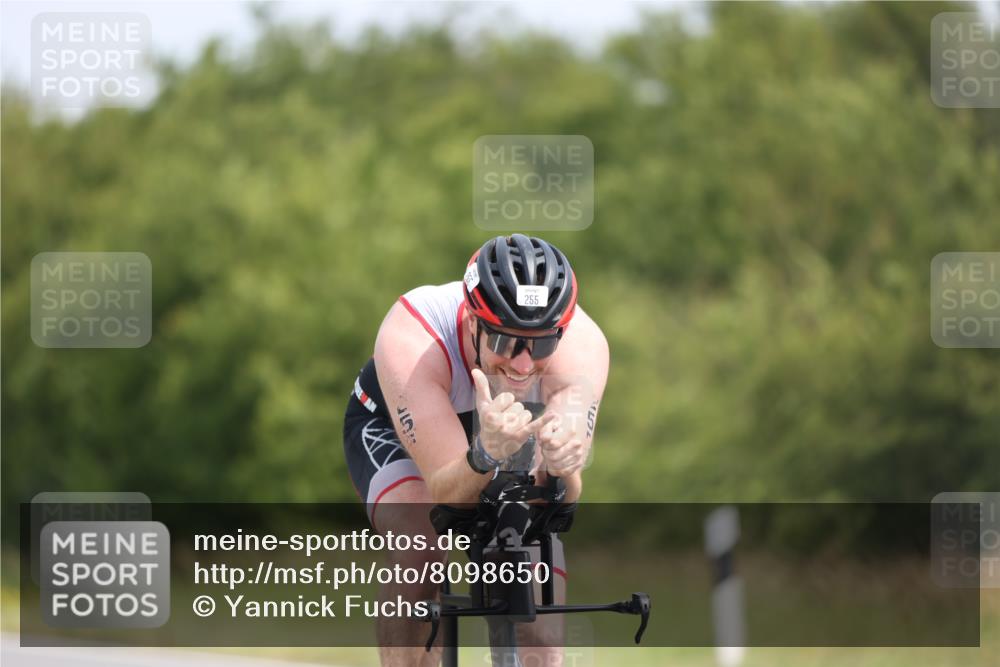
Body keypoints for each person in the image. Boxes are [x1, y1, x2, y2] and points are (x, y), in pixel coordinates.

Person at [343, 233, 609, 666]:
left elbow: (560, 501)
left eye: (541, 344)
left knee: (537, 608)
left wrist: (563, 469)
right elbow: (448, 492)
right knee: (421, 544)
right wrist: (484, 454)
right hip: (394, 424)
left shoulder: (583, 346)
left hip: (504, 427)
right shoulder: (412, 334)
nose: (523, 364)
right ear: (471, 323)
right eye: (506, 342)